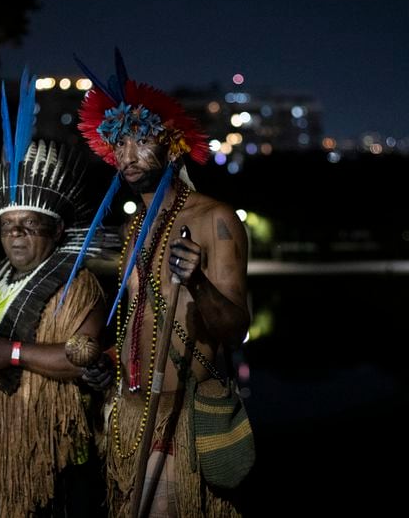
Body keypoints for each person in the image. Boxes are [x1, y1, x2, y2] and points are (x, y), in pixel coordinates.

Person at [71, 51, 251, 516]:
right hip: (131, 412)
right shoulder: (134, 232)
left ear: (172, 145)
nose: (125, 156)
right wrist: (107, 363)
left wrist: (199, 285)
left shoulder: (215, 220)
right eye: (118, 144)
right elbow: (138, 323)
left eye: (139, 142)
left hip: (182, 414)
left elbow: (236, 329)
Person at [0, 72, 107, 517]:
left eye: (30, 227)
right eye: (9, 226)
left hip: (35, 445)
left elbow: (78, 358)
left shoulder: (76, 282)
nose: (17, 236)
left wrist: (12, 353)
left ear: (57, 232)